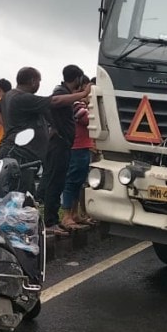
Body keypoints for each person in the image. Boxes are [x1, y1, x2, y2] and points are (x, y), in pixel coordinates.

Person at [0, 66, 91, 236]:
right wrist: (82, 95)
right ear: (33, 81)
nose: (39, 84)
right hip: (19, 152)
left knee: (23, 192)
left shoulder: (10, 96)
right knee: (20, 193)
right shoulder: (22, 98)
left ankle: (25, 227)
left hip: (19, 150)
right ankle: (23, 231)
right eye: (39, 81)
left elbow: (44, 111)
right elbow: (54, 102)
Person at [61, 76, 96, 230]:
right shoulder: (77, 103)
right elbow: (87, 120)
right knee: (71, 182)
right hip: (76, 147)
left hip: (84, 146)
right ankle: (66, 215)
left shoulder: (84, 103)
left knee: (79, 182)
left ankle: (75, 214)